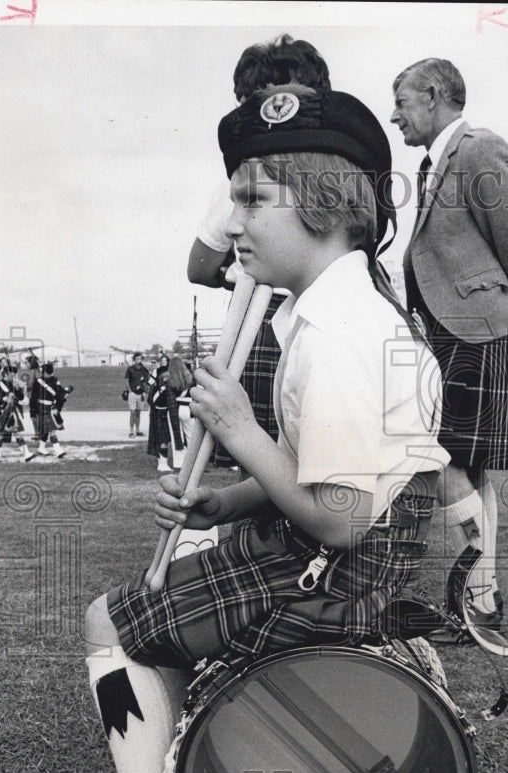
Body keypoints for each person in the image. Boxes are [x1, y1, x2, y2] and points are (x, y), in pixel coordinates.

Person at [46, 83, 450, 773]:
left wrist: (236, 427)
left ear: (325, 201)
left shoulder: (341, 335)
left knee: (109, 625)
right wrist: (227, 504)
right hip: (328, 555)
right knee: (157, 601)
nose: (229, 226)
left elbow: (338, 517)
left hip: (335, 572)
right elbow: (321, 473)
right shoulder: (330, 312)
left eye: (250, 200)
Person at [390, 58, 508, 638]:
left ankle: (476, 597)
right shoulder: (439, 161)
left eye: (401, 101)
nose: (394, 114)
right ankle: (483, 600)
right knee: (468, 470)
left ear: (433, 95)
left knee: (446, 461)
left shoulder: (479, 150)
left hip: (479, 328)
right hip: (456, 331)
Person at [188, 35, 332, 469]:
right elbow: (199, 266)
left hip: (304, 313)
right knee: (260, 457)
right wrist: (244, 272)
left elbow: (201, 264)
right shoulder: (244, 178)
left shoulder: (268, 173)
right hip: (268, 312)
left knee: (309, 452)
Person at [0, 364, 35, 462]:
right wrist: (4, 400)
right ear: (6, 374)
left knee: (15, 433)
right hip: (2, 412)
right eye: (11, 375)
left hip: (12, 412)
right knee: (1, 434)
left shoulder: (13, 385)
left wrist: (19, 389)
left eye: (14, 375)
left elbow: (22, 398)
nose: (13, 377)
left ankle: (26, 454)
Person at [30, 361, 69, 458]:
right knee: (52, 429)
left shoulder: (54, 380)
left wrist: (65, 394)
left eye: (51, 373)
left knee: (47, 430)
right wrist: (33, 411)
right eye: (48, 373)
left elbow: (59, 392)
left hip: (52, 408)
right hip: (42, 407)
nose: (50, 375)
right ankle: (58, 450)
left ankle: (41, 448)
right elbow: (33, 398)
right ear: (44, 373)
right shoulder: (38, 382)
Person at [167, 355, 194, 450]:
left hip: (177, 408)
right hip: (189, 408)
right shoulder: (190, 377)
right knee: (190, 435)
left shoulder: (170, 380)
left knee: (177, 436)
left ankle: (180, 460)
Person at [124, 352, 150, 438]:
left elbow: (147, 381)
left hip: (141, 394)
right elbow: (127, 380)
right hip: (133, 393)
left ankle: (138, 430)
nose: (138, 360)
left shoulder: (144, 370)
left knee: (138, 412)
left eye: (140, 359)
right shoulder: (130, 369)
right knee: (132, 412)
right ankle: (131, 431)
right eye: (137, 359)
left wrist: (145, 390)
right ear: (134, 359)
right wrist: (130, 391)